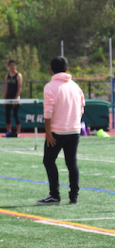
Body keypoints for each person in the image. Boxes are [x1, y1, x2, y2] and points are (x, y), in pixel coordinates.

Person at [38, 56, 86, 206]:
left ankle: (54, 194)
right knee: (72, 163)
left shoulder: (50, 86)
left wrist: (47, 132)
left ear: (51, 69)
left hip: (57, 132)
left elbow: (48, 111)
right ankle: (74, 197)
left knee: (48, 160)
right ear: (67, 69)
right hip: (74, 130)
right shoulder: (76, 86)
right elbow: (82, 107)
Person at [4, 59, 23, 138]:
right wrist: (5, 99)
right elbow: (7, 87)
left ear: (16, 66)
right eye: (11, 65)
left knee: (16, 115)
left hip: (16, 98)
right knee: (7, 114)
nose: (12, 67)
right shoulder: (7, 76)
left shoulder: (18, 75)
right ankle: (8, 131)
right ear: (9, 66)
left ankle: (18, 132)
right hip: (8, 98)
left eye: (13, 65)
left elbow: (19, 88)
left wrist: (16, 99)